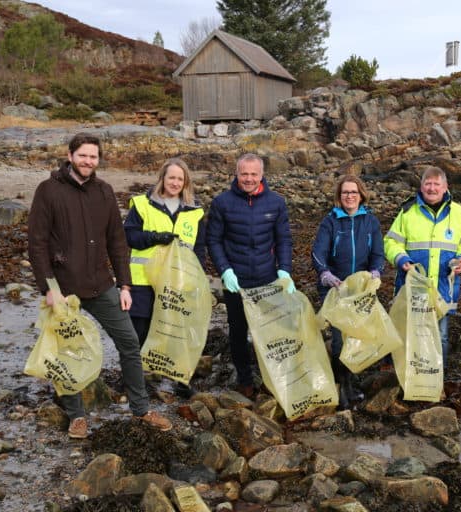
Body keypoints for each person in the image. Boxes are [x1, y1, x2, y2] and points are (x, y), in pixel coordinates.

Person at [27, 133, 172, 439]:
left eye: (93, 157)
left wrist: (125, 286)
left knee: (130, 343)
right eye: (83, 156)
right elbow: (37, 244)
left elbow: (117, 243)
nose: (88, 161)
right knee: (68, 352)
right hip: (64, 288)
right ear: (70, 155)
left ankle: (141, 408)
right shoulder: (48, 191)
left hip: (101, 284)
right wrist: (48, 288)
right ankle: (77, 415)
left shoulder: (104, 192)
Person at [206, 153, 294, 399]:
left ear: (262, 175)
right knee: (237, 331)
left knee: (270, 332)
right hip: (236, 281)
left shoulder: (276, 203)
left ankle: (271, 379)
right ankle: (244, 379)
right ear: (236, 174)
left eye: (254, 174)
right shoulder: (222, 203)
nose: (248, 178)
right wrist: (225, 270)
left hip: (267, 280)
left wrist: (284, 269)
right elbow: (213, 240)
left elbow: (283, 239)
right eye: (244, 173)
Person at [124, 157, 205, 397]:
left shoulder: (195, 211)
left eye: (180, 179)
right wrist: (155, 237)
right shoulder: (141, 205)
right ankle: (133, 381)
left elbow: (199, 248)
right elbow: (129, 237)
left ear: (186, 182)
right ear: (162, 178)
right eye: (171, 177)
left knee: (179, 331)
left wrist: (195, 278)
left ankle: (182, 380)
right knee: (140, 332)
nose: (175, 182)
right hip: (143, 282)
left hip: (177, 284)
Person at [383, 166, 461, 369]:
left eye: (436, 184)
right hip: (412, 290)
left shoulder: (458, 212)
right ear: (421, 186)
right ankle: (409, 378)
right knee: (409, 335)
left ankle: (436, 381)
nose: (432, 188)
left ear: (445, 187)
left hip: (444, 289)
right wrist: (401, 258)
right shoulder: (408, 211)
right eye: (428, 183)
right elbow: (391, 242)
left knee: (440, 337)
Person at [311, 175, 384, 409]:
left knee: (356, 339)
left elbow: (378, 254)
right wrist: (325, 274)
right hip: (335, 288)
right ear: (339, 196)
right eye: (345, 193)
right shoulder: (330, 222)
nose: (349, 196)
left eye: (353, 192)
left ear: (361, 195)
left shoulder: (370, 222)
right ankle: (342, 389)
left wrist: (376, 271)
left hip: (360, 291)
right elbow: (318, 252)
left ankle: (350, 383)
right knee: (340, 339)